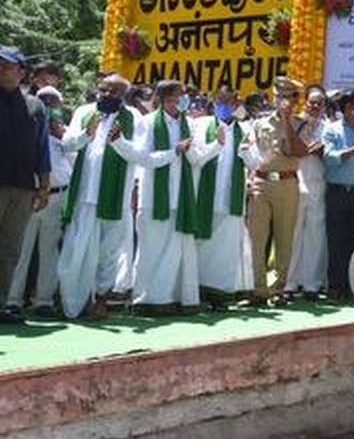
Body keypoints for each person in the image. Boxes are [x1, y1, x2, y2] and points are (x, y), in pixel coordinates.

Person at [110, 80, 216, 313]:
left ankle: (180, 298)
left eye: (184, 95)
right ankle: (150, 300)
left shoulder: (188, 124)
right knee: (153, 250)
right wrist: (173, 152)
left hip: (182, 197)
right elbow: (143, 158)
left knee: (179, 250)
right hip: (154, 198)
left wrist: (218, 144)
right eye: (179, 95)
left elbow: (195, 158)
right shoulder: (149, 123)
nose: (182, 100)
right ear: (166, 98)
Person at [56, 74, 139, 319]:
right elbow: (68, 144)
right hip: (84, 196)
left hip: (116, 198)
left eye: (113, 92)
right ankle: (71, 302)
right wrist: (85, 134)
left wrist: (121, 141)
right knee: (75, 252)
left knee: (108, 254)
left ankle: (101, 299)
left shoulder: (134, 117)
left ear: (124, 96)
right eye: (103, 90)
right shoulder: (84, 111)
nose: (106, 95)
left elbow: (141, 153)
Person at [243, 77, 306, 302]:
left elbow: (298, 151)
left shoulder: (300, 123)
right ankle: (257, 289)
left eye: (288, 97)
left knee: (284, 238)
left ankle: (278, 288)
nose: (283, 101)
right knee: (256, 237)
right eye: (280, 96)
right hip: (260, 182)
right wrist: (249, 179)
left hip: (286, 183)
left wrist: (287, 122)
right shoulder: (260, 123)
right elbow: (248, 151)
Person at [6, 107, 74, 317]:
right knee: (21, 251)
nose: (57, 125)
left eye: (58, 122)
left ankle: (43, 300)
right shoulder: (24, 141)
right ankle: (12, 300)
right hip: (29, 197)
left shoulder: (63, 144)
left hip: (55, 198)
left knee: (49, 251)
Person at [0, 47, 51, 324]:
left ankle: (1, 303)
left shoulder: (35, 106)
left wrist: (44, 185)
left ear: (20, 72)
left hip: (22, 187)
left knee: (10, 250)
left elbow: (42, 148)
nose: (1, 70)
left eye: (6, 66)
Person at [193, 85, 254, 304]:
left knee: (226, 249)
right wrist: (215, 144)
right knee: (201, 245)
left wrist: (247, 151)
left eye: (228, 102)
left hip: (231, 200)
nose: (224, 106)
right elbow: (196, 158)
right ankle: (199, 289)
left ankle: (221, 293)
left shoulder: (245, 129)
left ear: (236, 104)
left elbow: (256, 163)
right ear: (213, 102)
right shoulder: (200, 126)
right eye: (219, 101)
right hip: (206, 197)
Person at [321, 89, 354, 301]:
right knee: (336, 240)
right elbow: (330, 158)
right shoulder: (332, 130)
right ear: (347, 107)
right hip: (338, 192)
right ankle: (337, 286)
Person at [285, 85, 328, 298]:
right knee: (294, 232)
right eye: (312, 102)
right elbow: (290, 148)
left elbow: (327, 151)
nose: (315, 106)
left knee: (315, 233)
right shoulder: (294, 122)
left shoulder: (328, 127)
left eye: (320, 103)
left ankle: (311, 283)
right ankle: (289, 283)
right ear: (305, 102)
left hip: (318, 181)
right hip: (296, 178)